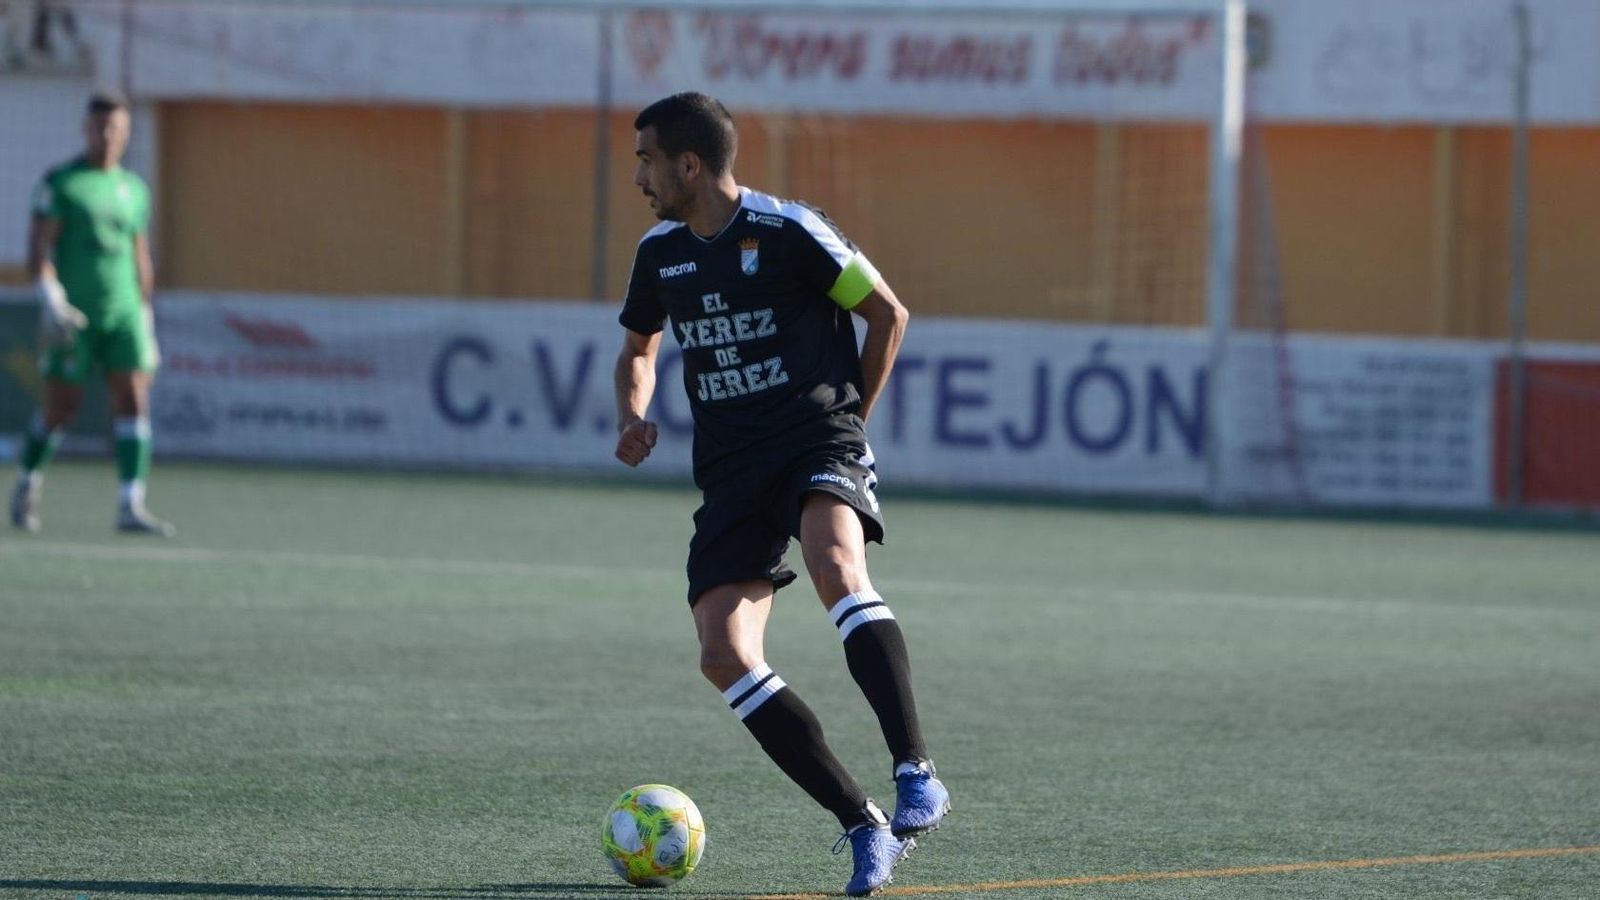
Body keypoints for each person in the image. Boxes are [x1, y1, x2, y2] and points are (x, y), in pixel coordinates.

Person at [612, 92, 948, 897]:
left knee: (837, 566)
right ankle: (865, 825)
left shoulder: (789, 229)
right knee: (724, 654)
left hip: (815, 444)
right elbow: (638, 347)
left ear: (690, 164)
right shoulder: (661, 254)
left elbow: (887, 313)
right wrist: (633, 410)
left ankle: (916, 772)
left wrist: (849, 424)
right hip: (731, 475)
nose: (640, 177)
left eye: (647, 159)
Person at [9, 90, 174, 536]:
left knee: (134, 399)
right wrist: (52, 299)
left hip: (123, 315)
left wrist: (145, 315)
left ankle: (130, 504)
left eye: (116, 128)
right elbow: (38, 251)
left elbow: (140, 256)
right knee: (62, 407)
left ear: (127, 133)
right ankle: (27, 482)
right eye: (100, 127)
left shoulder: (135, 190)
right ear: (86, 129)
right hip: (74, 318)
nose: (108, 136)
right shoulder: (62, 183)